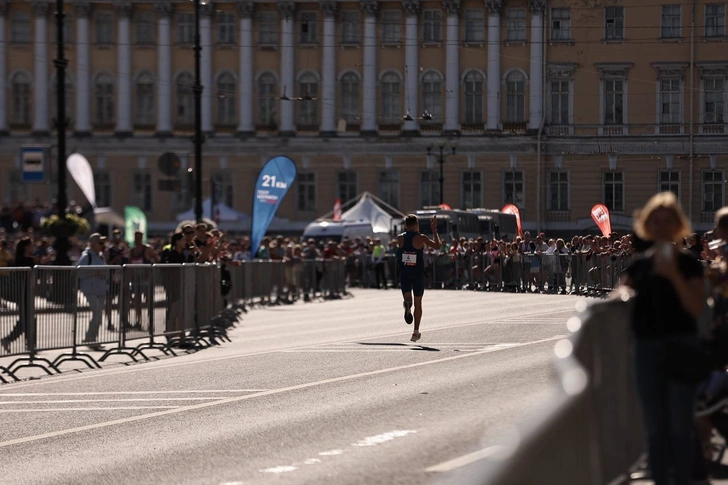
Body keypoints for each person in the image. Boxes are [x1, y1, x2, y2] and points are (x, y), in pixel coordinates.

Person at [617, 192, 706, 485]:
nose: (663, 226)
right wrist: (623, 295)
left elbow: (696, 308)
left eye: (669, 221)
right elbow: (618, 297)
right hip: (646, 349)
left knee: (680, 426)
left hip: (682, 346)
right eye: (656, 220)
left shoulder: (688, 264)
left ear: (678, 225)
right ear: (647, 225)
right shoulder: (639, 266)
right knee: (654, 429)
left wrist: (672, 276)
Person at [397, 214, 442, 342]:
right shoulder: (421, 238)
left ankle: (407, 304)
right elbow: (437, 246)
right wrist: (434, 230)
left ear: (406, 225)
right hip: (417, 273)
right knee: (418, 303)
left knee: (407, 297)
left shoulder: (400, 238)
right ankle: (415, 332)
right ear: (416, 225)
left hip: (405, 272)